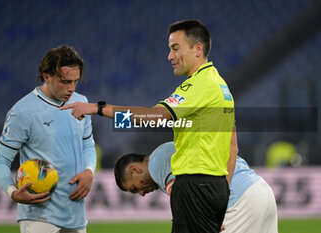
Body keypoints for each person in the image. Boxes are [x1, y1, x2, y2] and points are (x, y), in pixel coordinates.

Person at [60, 19, 235, 232]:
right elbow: (232, 146)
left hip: (196, 184)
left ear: (198, 49)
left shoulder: (199, 85)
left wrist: (99, 109)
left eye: (175, 48)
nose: (169, 56)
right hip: (213, 185)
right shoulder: (220, 85)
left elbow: (153, 117)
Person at [0, 45, 97, 233]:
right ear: (47, 76)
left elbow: (88, 144)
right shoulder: (22, 112)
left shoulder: (81, 103)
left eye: (75, 82)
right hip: (39, 217)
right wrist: (12, 192)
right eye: (65, 82)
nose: (71, 88)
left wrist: (89, 171)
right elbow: (1, 160)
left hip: (75, 213)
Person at [114, 141, 278, 233]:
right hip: (260, 189)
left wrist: (211, 214)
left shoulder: (156, 164)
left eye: (135, 188)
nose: (142, 194)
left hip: (239, 200)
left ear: (134, 169)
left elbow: (185, 204)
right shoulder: (174, 149)